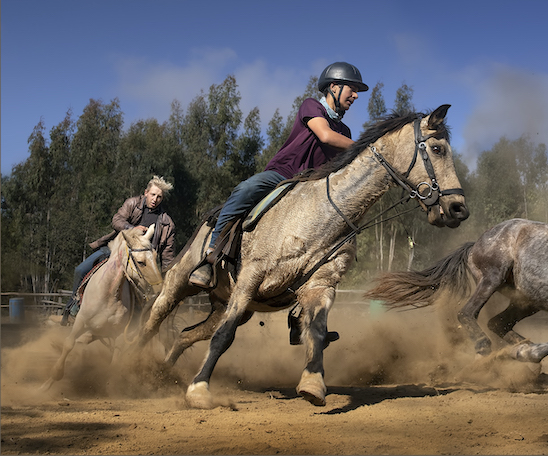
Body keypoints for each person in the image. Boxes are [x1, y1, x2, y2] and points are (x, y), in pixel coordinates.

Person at [187, 62, 368, 346]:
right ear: (334, 86)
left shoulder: (343, 127)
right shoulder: (312, 107)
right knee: (244, 190)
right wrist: (365, 146)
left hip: (309, 192)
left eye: (357, 91)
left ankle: (300, 318)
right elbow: (323, 135)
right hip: (282, 176)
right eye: (352, 89)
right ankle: (209, 258)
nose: (355, 95)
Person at [62, 175, 176, 325]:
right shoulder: (132, 203)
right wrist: (132, 229)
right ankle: (72, 306)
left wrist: (169, 278)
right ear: (146, 193)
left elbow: (168, 255)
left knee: (146, 300)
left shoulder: (167, 223)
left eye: (159, 196)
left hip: (141, 264)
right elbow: (116, 220)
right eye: (153, 194)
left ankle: (135, 332)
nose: (155, 199)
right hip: (115, 250)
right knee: (80, 270)